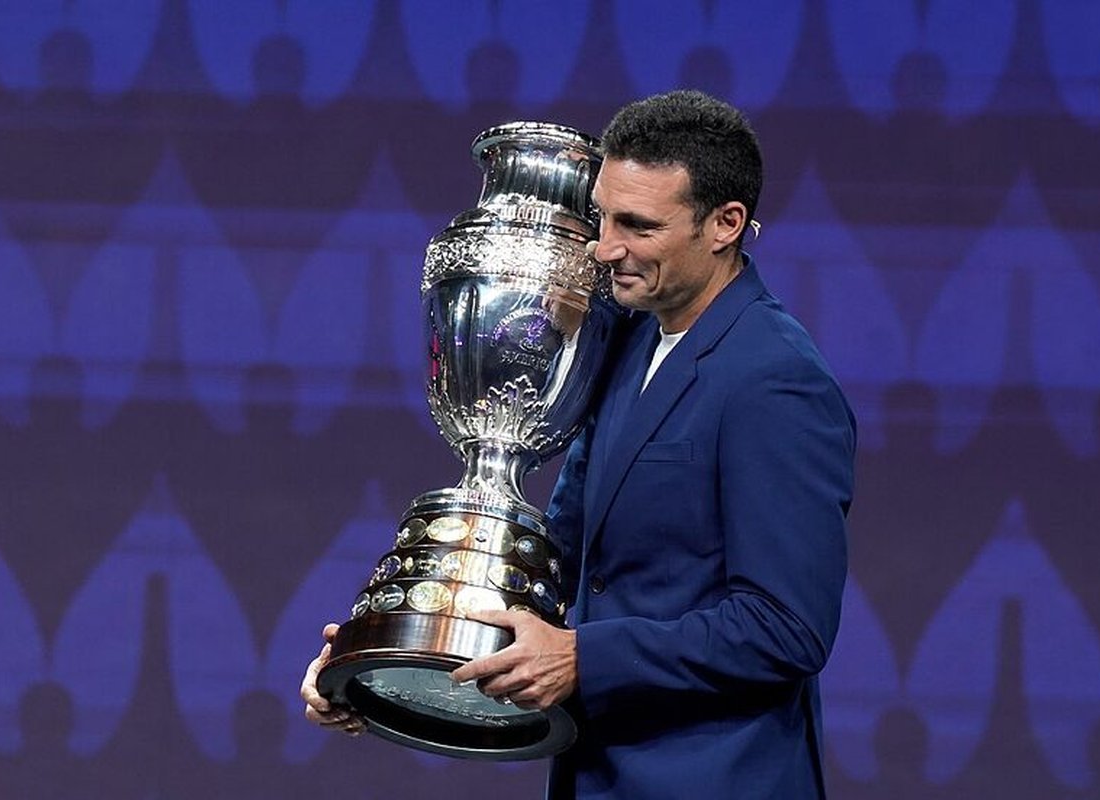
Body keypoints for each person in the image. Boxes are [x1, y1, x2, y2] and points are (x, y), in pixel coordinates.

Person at [302, 89, 856, 799]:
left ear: (725, 224)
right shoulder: (627, 337)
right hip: (595, 776)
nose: (604, 248)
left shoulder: (777, 381)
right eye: (602, 215)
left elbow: (785, 627)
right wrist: (388, 653)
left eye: (639, 225)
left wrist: (584, 658)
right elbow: (563, 557)